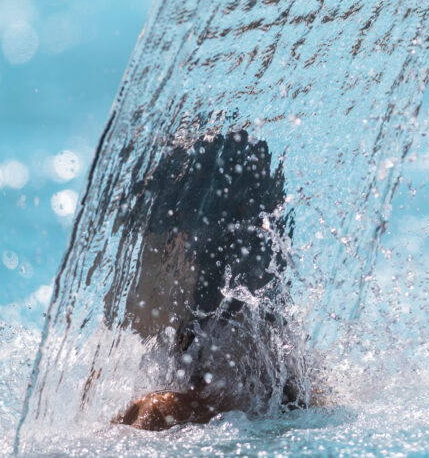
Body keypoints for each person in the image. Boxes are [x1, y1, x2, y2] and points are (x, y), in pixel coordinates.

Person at [105, 129, 308, 431]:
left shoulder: (157, 413)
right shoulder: (285, 361)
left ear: (177, 253)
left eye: (142, 249)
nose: (128, 280)